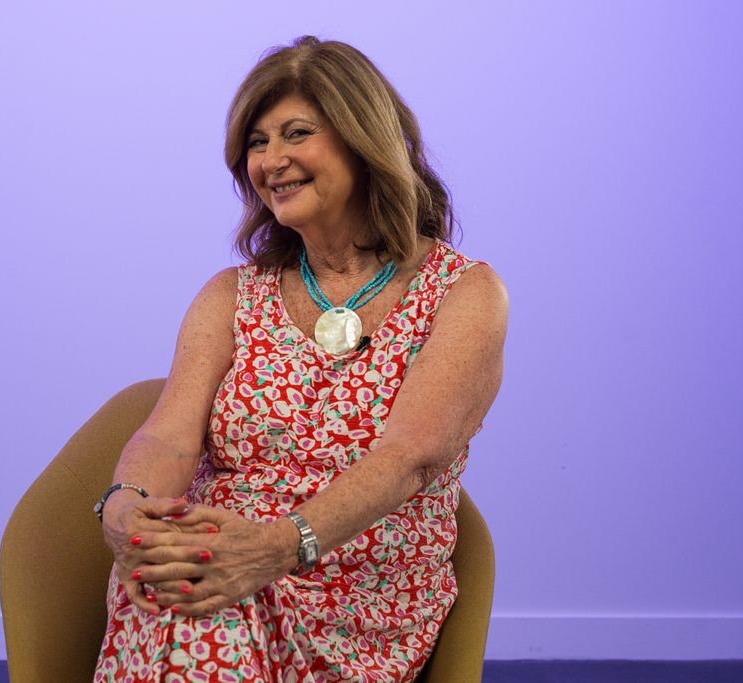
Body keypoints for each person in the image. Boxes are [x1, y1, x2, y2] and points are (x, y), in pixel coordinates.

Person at [93, 35, 508, 682]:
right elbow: (168, 434)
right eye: (256, 143)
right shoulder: (231, 295)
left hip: (357, 598)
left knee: (200, 617)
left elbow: (411, 456)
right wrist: (125, 510)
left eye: (295, 133)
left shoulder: (463, 292)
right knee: (186, 605)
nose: (271, 160)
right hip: (224, 569)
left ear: (362, 137)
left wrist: (276, 547)